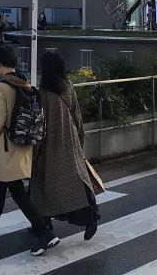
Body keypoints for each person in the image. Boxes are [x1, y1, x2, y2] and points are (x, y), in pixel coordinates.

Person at [0, 45, 60, 256]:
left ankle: (44, 232)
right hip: (23, 144)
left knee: (17, 192)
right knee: (0, 185)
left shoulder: (1, 88)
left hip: (5, 147)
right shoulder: (24, 82)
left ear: (1, 65)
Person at [30, 51, 100, 241]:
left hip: (49, 147)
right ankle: (91, 217)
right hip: (70, 142)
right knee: (77, 183)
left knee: (42, 184)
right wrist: (79, 142)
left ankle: (43, 221)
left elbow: (39, 124)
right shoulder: (67, 86)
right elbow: (77, 116)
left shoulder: (42, 93)